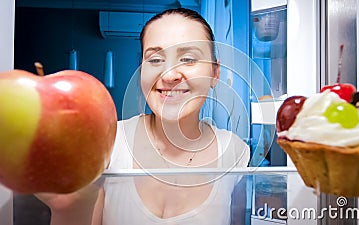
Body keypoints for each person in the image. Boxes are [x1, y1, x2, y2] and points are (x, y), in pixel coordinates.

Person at [37, 8, 250, 225]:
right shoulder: (108, 141)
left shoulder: (235, 153)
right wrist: (66, 209)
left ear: (215, 73)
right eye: (155, 59)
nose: (169, 75)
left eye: (187, 58)